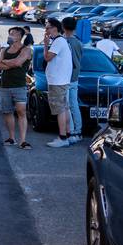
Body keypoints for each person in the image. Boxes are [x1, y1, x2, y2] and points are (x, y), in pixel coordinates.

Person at [0, 26, 32, 149]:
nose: (10, 36)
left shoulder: (26, 50)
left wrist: (5, 62)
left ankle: (23, 140)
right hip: (5, 85)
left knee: (21, 111)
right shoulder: (4, 50)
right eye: (10, 33)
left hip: (19, 85)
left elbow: (18, 62)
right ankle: (12, 138)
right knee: (7, 112)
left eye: (13, 34)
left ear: (19, 36)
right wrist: (11, 62)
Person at [43, 17, 73, 148]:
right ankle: (67, 134)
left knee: (59, 109)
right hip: (62, 80)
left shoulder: (58, 42)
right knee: (64, 108)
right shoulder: (62, 41)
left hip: (57, 81)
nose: (46, 30)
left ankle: (62, 138)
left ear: (55, 28)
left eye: (48, 27)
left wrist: (45, 45)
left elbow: (47, 57)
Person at [62, 17, 84, 144]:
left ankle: (69, 131)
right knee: (74, 104)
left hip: (64, 77)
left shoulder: (62, 42)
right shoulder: (78, 43)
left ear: (63, 27)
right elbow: (80, 58)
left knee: (65, 106)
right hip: (75, 76)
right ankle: (78, 130)